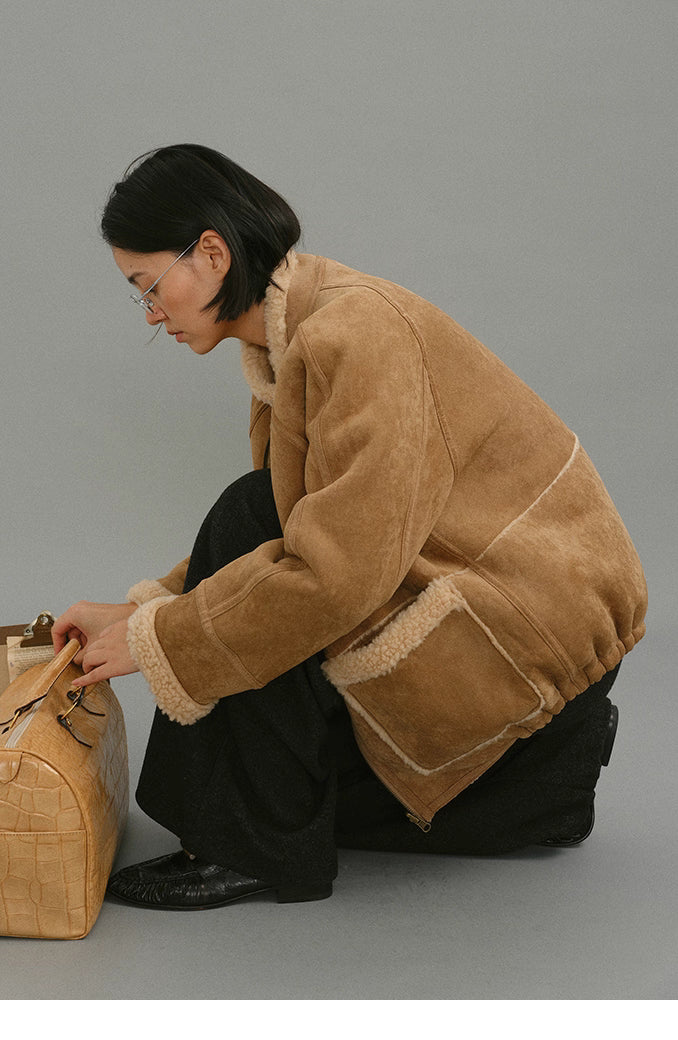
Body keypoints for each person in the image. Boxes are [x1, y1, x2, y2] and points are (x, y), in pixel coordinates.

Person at [52, 144, 647, 911]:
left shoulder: (358, 332)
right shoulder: (296, 338)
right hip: (496, 635)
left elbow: (335, 571)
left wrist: (160, 641)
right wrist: (145, 611)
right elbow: (317, 520)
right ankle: (540, 798)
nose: (151, 313)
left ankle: (252, 850)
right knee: (263, 531)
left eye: (150, 286)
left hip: (530, 655)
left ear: (210, 251)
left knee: (249, 511)